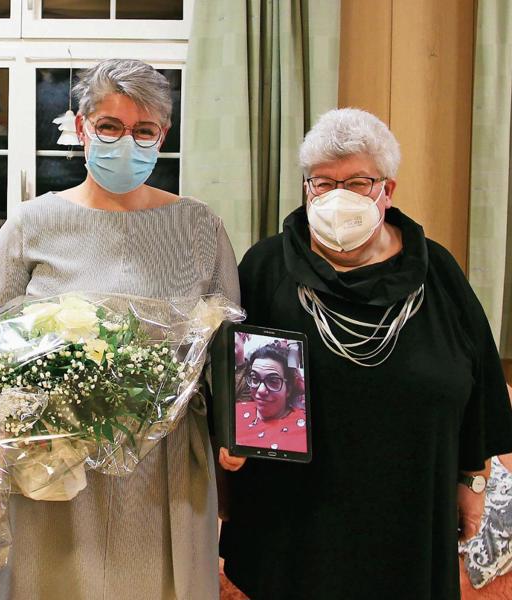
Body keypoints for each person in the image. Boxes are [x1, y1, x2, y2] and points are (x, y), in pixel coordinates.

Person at [218, 108, 512, 599]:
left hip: (413, 512)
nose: (337, 196)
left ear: (387, 190)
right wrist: (228, 441)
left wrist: (474, 483)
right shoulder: (267, 267)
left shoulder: (435, 270)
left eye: (357, 181)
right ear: (307, 187)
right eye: (322, 182)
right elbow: (230, 375)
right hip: (296, 522)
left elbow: (478, 385)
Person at [0, 59, 239, 600]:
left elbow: (227, 355)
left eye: (144, 131)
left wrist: (239, 438)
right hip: (56, 463)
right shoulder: (30, 225)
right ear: (81, 128)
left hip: (168, 467)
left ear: (162, 136)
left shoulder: (199, 227)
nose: (128, 141)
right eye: (110, 127)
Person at [233, 343, 307, 453]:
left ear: (289, 389)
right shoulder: (235, 411)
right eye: (255, 378)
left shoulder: (305, 426)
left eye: (273, 381)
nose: (261, 390)